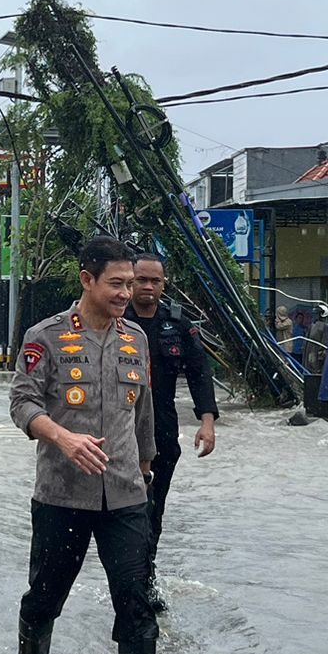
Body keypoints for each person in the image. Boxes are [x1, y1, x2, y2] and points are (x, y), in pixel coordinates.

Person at [12, 237, 157, 654]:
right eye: (115, 283)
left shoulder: (136, 339)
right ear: (86, 280)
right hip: (61, 496)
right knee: (44, 599)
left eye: (131, 283)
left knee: (137, 606)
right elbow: (22, 404)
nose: (125, 293)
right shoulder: (45, 337)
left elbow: (144, 414)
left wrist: (145, 467)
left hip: (126, 499)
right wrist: (62, 437)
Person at [124, 254, 216, 613]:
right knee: (121, 512)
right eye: (140, 280)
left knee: (152, 511)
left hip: (162, 432)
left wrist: (206, 421)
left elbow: (199, 373)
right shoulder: (116, 319)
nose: (147, 287)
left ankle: (144, 582)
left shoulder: (177, 324)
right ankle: (127, 581)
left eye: (154, 281)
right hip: (118, 431)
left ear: (164, 284)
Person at [305, 309, 328, 374]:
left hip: (317, 353)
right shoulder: (312, 325)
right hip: (310, 351)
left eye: (316, 313)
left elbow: (325, 341)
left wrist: (321, 353)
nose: (314, 315)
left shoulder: (325, 326)